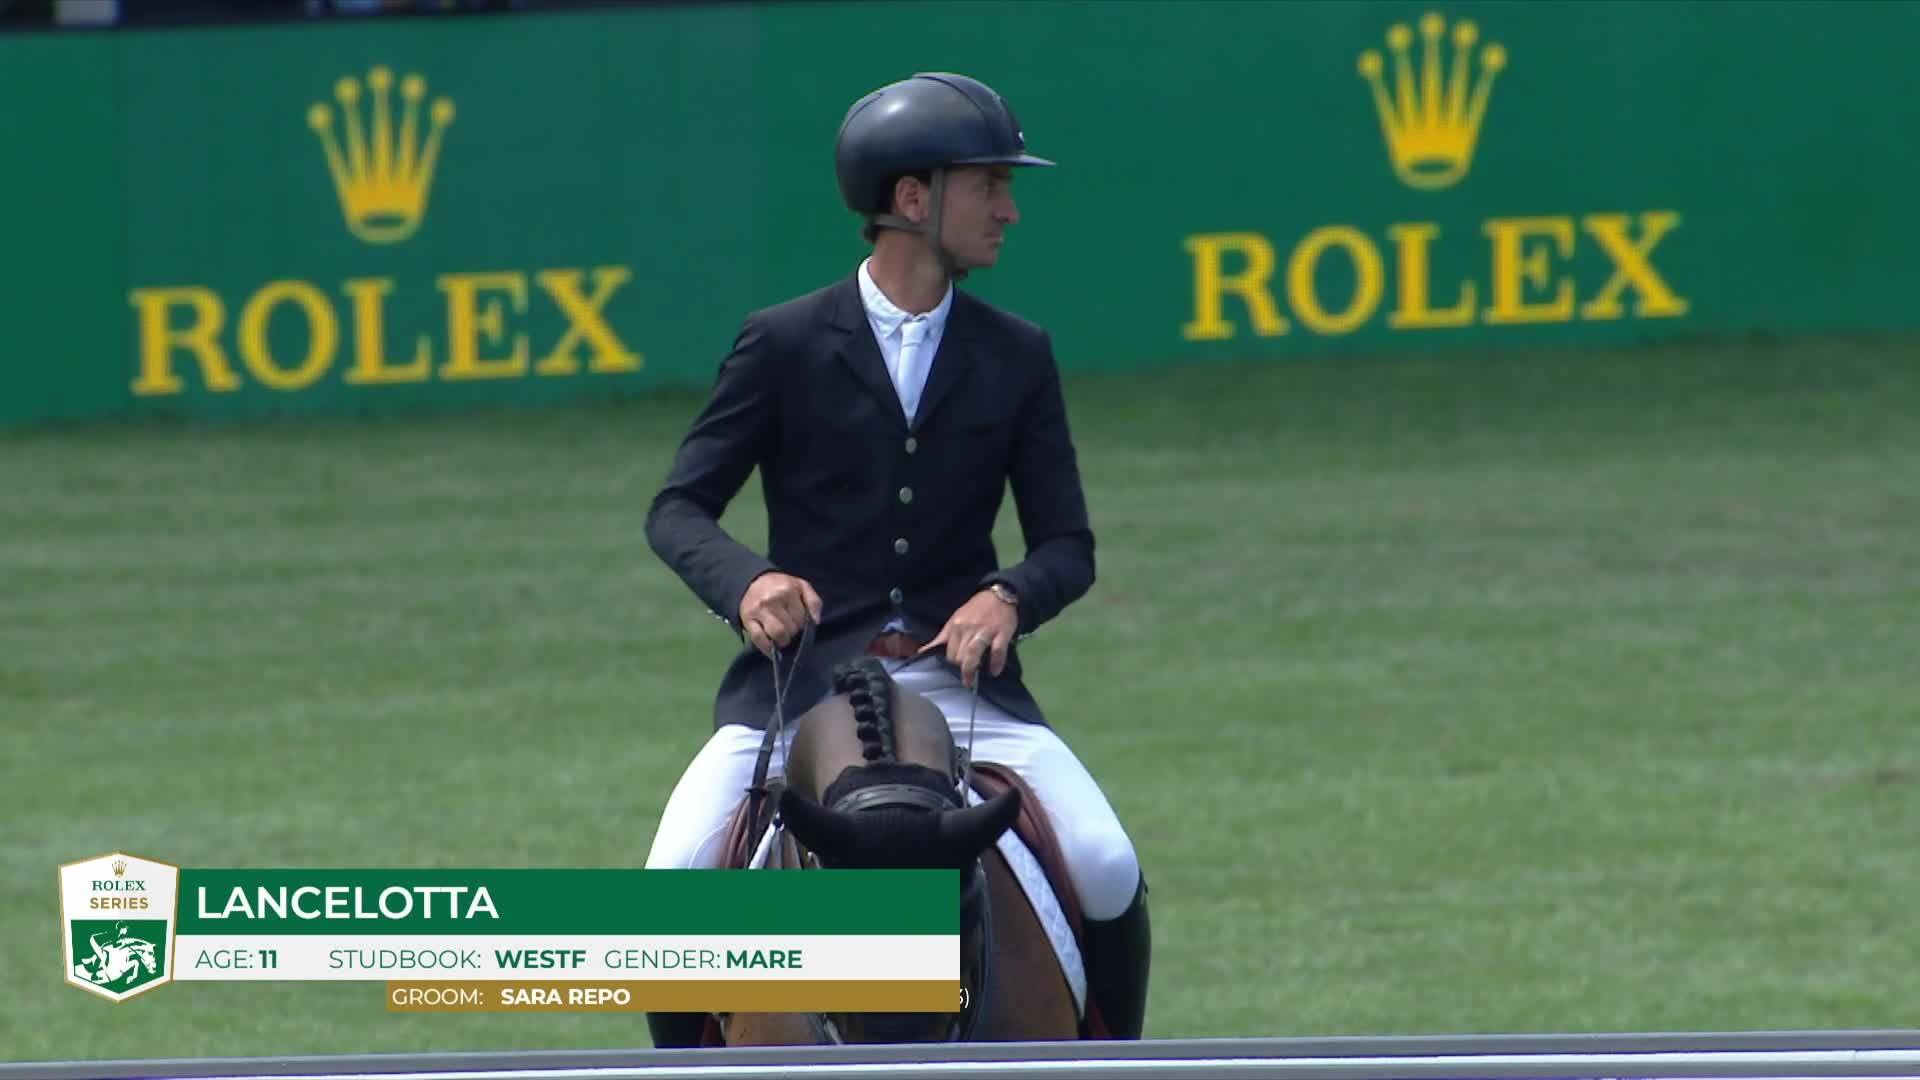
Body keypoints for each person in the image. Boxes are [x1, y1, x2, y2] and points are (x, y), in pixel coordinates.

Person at [641, 72, 1150, 1045]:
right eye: (989, 185)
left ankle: (1110, 1064)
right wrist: (748, 583)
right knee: (673, 875)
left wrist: (1009, 597)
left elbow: (1068, 545)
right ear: (913, 198)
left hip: (963, 692)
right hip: (801, 693)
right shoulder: (784, 342)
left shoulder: (1017, 353)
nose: (1008, 209)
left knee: (1104, 860)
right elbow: (678, 510)